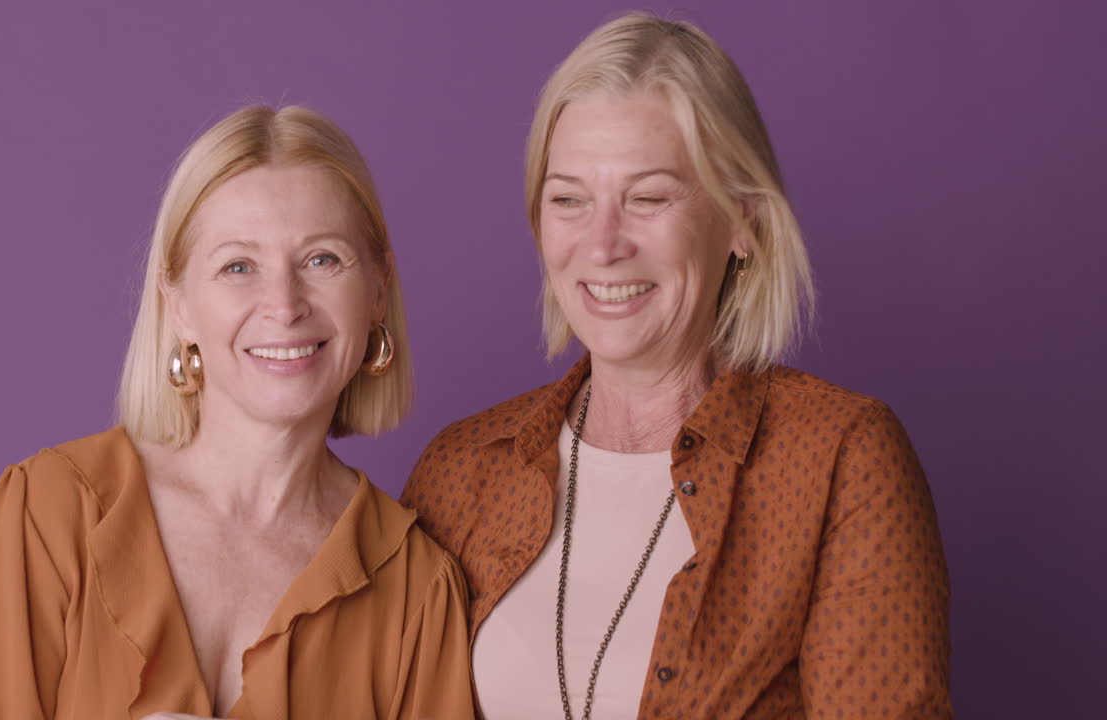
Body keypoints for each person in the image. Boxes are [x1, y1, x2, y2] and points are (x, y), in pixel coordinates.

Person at [402, 13, 952, 720]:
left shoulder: (840, 459)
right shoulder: (460, 472)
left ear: (742, 220)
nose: (602, 246)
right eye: (569, 199)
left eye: (648, 198)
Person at [0, 105, 474, 720]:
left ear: (377, 288)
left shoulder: (415, 589)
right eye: (237, 266)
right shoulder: (52, 513)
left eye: (322, 260)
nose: (284, 305)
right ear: (178, 304)